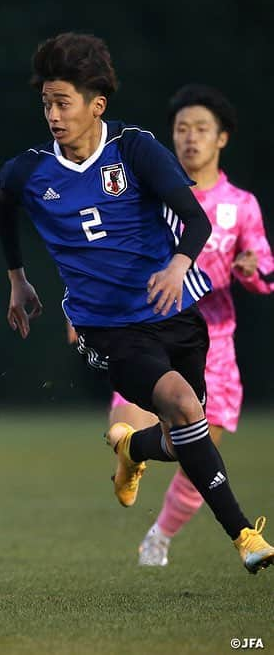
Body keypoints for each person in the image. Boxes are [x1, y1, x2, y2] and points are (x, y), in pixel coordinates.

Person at [0, 32, 273, 574]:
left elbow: (196, 219)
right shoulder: (29, 170)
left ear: (96, 106)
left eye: (63, 102)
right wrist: (17, 279)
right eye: (46, 102)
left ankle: (134, 451)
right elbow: (2, 205)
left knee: (182, 436)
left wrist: (178, 263)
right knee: (189, 410)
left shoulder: (136, 148)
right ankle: (243, 534)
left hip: (176, 314)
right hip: (107, 327)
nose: (52, 113)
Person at [98, 84, 274, 566]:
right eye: (181, 129)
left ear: (222, 139)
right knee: (119, 432)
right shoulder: (151, 192)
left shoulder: (241, 205)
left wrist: (253, 269)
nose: (190, 138)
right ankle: (131, 451)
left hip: (213, 346)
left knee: (194, 456)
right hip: (146, 331)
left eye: (201, 129)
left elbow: (267, 273)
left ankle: (159, 538)